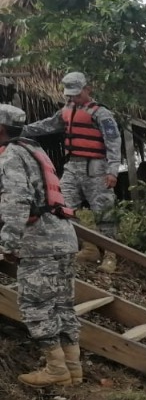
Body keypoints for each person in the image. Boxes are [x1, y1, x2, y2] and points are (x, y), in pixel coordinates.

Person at [0, 105, 83, 388]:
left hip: (38, 242)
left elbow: (15, 201)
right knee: (62, 305)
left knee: (36, 306)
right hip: (63, 237)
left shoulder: (10, 155)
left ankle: (56, 370)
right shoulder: (33, 149)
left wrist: (7, 243)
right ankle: (73, 369)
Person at [21, 72, 122, 273]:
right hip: (72, 167)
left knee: (104, 212)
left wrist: (113, 171)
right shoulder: (66, 111)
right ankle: (89, 247)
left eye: (76, 94)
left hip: (97, 169)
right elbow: (47, 125)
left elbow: (114, 142)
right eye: (70, 95)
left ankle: (111, 255)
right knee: (62, 207)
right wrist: (19, 130)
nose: (72, 98)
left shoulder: (101, 114)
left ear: (87, 89)